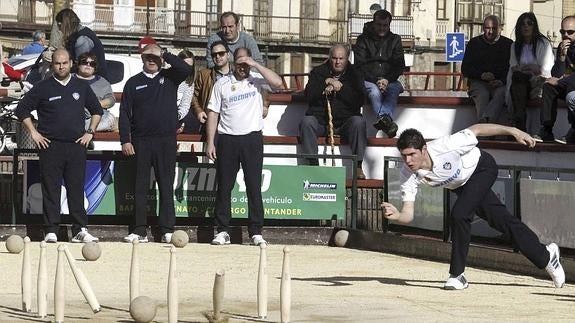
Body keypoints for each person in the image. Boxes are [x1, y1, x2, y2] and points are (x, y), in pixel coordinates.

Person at [382, 123, 565, 290]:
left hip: (482, 168)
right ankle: (547, 256)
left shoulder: (446, 146)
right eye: (404, 156)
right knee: (501, 221)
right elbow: (408, 214)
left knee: (460, 214)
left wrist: (514, 131)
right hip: (462, 186)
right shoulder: (407, 174)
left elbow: (477, 129)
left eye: (412, 154)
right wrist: (397, 216)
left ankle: (457, 275)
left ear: (423, 149)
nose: (408, 161)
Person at [14, 49, 102, 243]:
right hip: (50, 146)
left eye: (64, 63)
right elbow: (22, 110)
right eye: (57, 63)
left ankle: (80, 229)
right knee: (51, 189)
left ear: (71, 63)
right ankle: (51, 229)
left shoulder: (81, 85)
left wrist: (90, 132)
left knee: (76, 189)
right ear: (52, 65)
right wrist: (34, 133)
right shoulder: (43, 87)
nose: (61, 66)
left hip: (76, 145)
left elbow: (97, 110)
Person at [206, 47, 283, 246]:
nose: (242, 68)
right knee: (224, 187)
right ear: (233, 62)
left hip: (252, 139)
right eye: (239, 63)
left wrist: (255, 64)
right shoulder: (222, 83)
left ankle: (256, 231)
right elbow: (213, 113)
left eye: (245, 63)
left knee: (254, 187)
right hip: (227, 139)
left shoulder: (257, 79)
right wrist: (211, 141)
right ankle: (223, 230)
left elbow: (278, 83)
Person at [119, 44, 192, 243]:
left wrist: (165, 54)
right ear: (141, 58)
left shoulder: (170, 77)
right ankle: (139, 230)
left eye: (155, 56)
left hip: (166, 141)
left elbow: (186, 70)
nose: (152, 60)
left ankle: (167, 229)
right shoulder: (133, 83)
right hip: (141, 141)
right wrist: (125, 140)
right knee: (140, 186)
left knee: (166, 185)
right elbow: (124, 113)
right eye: (147, 56)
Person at [300, 44, 367, 179]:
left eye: (341, 58)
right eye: (335, 58)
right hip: (321, 121)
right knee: (307, 122)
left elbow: (360, 100)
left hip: (345, 122)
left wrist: (340, 89)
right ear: (330, 58)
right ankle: (312, 165)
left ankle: (358, 165)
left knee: (358, 122)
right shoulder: (318, 72)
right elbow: (308, 95)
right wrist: (326, 82)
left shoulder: (355, 74)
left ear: (347, 58)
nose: (338, 62)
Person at [353, 9, 405, 138]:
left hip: (390, 80)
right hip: (368, 79)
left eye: (385, 25)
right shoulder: (362, 40)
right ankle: (387, 120)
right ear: (373, 23)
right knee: (374, 91)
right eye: (379, 25)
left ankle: (384, 120)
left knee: (394, 88)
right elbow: (359, 65)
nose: (382, 28)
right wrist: (377, 80)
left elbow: (399, 65)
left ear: (389, 25)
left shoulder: (395, 40)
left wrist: (387, 79)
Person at [506, 12, 554, 132]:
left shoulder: (544, 43)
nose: (526, 26)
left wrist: (531, 68)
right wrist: (526, 68)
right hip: (521, 82)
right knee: (518, 78)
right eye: (522, 24)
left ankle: (519, 122)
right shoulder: (515, 46)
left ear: (534, 26)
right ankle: (520, 122)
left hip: (538, 82)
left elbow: (546, 71)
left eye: (529, 23)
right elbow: (513, 67)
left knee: (518, 81)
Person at [461, 15, 512, 123]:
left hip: (500, 83)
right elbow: (465, 68)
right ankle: (486, 127)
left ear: (500, 29)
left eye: (494, 28)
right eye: (488, 28)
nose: (490, 31)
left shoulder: (508, 44)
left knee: (501, 93)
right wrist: (481, 75)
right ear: (483, 28)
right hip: (478, 83)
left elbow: (511, 68)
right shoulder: (474, 43)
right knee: (483, 95)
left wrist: (501, 81)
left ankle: (484, 122)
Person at [534, 15, 575, 144]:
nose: (566, 35)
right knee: (548, 86)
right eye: (563, 32)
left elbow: (559, 80)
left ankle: (574, 129)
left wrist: (560, 81)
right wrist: (562, 57)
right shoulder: (563, 48)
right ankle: (546, 129)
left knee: (570, 95)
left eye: (570, 32)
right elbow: (556, 75)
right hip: (569, 85)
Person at [192, 41, 233, 136]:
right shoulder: (204, 74)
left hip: (233, 125)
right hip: (211, 124)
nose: (217, 57)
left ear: (228, 54)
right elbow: (193, 95)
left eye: (221, 53)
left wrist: (265, 105)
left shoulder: (237, 74)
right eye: (214, 55)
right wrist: (198, 110)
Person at [55, 8, 109, 80]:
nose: (59, 29)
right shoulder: (79, 35)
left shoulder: (82, 39)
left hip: (93, 84)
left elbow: (81, 67)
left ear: (65, 24)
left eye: (59, 25)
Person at [73, 52, 116, 132]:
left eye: (92, 64)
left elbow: (111, 99)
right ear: (78, 64)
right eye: (84, 62)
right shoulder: (69, 79)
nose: (88, 65)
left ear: (95, 67)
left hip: (96, 116)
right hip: (73, 116)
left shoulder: (102, 82)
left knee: (108, 119)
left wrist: (95, 104)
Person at [176, 49, 196, 133]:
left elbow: (185, 106)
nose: (186, 68)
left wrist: (177, 117)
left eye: (189, 66)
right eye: (184, 64)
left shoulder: (189, 84)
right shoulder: (167, 77)